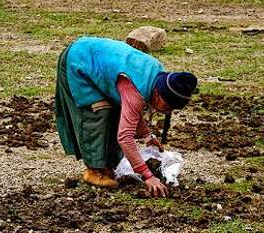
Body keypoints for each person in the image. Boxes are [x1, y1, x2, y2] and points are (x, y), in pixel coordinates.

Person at [55, 36, 197, 197]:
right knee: (98, 112)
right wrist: (148, 176)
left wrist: (147, 135)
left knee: (116, 110)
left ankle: (108, 165)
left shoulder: (157, 78)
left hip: (99, 59)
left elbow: (130, 109)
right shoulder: (135, 88)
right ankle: (94, 171)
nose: (166, 111)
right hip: (80, 60)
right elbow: (125, 136)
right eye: (167, 106)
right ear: (159, 95)